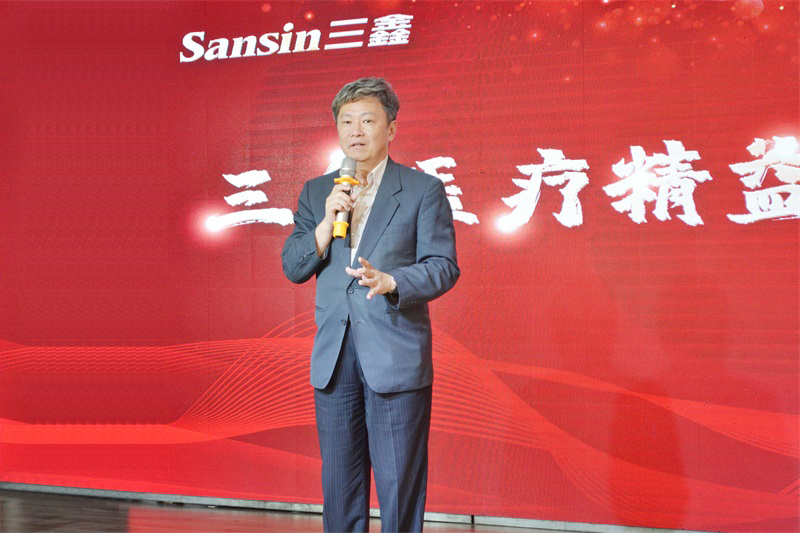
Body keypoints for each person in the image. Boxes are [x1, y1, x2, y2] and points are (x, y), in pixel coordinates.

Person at [282, 77, 460, 532]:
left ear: (391, 129)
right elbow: (293, 266)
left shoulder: (422, 189)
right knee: (339, 485)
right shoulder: (317, 192)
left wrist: (393, 281)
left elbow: (443, 265)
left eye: (367, 120)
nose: (356, 131)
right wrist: (325, 225)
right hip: (334, 358)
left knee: (399, 484)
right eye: (346, 122)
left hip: (394, 354)